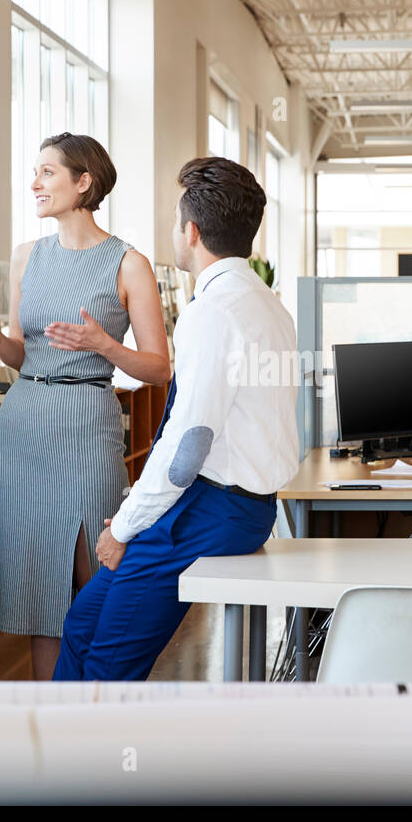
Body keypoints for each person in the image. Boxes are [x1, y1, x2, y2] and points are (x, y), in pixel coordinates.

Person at [54, 156, 301, 681]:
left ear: (191, 231)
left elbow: (188, 447)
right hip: (236, 505)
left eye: (173, 221)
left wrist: (123, 527)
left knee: (107, 660)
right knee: (83, 622)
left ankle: (83, 758)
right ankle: (59, 753)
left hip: (212, 509)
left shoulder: (212, 313)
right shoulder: (267, 304)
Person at [0, 133, 170, 680]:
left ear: (83, 182)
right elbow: (23, 352)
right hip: (25, 424)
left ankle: (96, 704)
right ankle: (51, 717)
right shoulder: (27, 256)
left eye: (47, 173)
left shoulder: (129, 263)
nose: (35, 183)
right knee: (40, 582)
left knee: (93, 571)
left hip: (87, 422)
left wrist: (105, 346)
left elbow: (159, 367)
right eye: (34, 173)